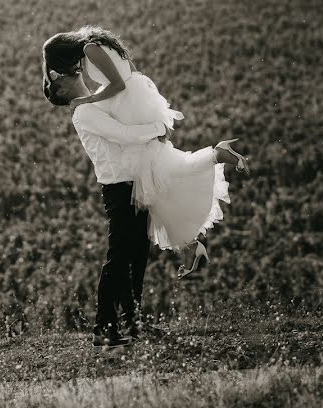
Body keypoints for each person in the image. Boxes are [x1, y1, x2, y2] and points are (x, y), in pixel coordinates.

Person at [42, 26, 250, 280]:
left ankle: (191, 239)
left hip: (124, 99)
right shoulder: (96, 44)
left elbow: (117, 84)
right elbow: (125, 74)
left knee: (150, 177)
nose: (66, 69)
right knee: (157, 174)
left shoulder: (89, 49)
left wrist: (87, 100)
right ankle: (191, 243)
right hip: (135, 98)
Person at [44, 69, 168, 349]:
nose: (60, 71)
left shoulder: (96, 103)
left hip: (133, 183)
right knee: (121, 256)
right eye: (56, 77)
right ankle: (104, 327)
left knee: (136, 255)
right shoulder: (85, 113)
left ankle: (133, 323)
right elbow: (124, 135)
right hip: (119, 188)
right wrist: (159, 128)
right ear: (61, 92)